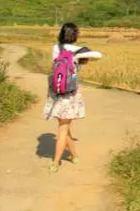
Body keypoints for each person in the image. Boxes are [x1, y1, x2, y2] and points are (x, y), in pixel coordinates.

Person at [43, 22, 102, 173]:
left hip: (55, 92)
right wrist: (83, 51)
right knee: (63, 130)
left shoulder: (56, 48)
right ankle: (55, 163)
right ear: (74, 35)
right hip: (69, 94)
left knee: (65, 127)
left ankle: (74, 155)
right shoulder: (77, 51)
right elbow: (98, 55)